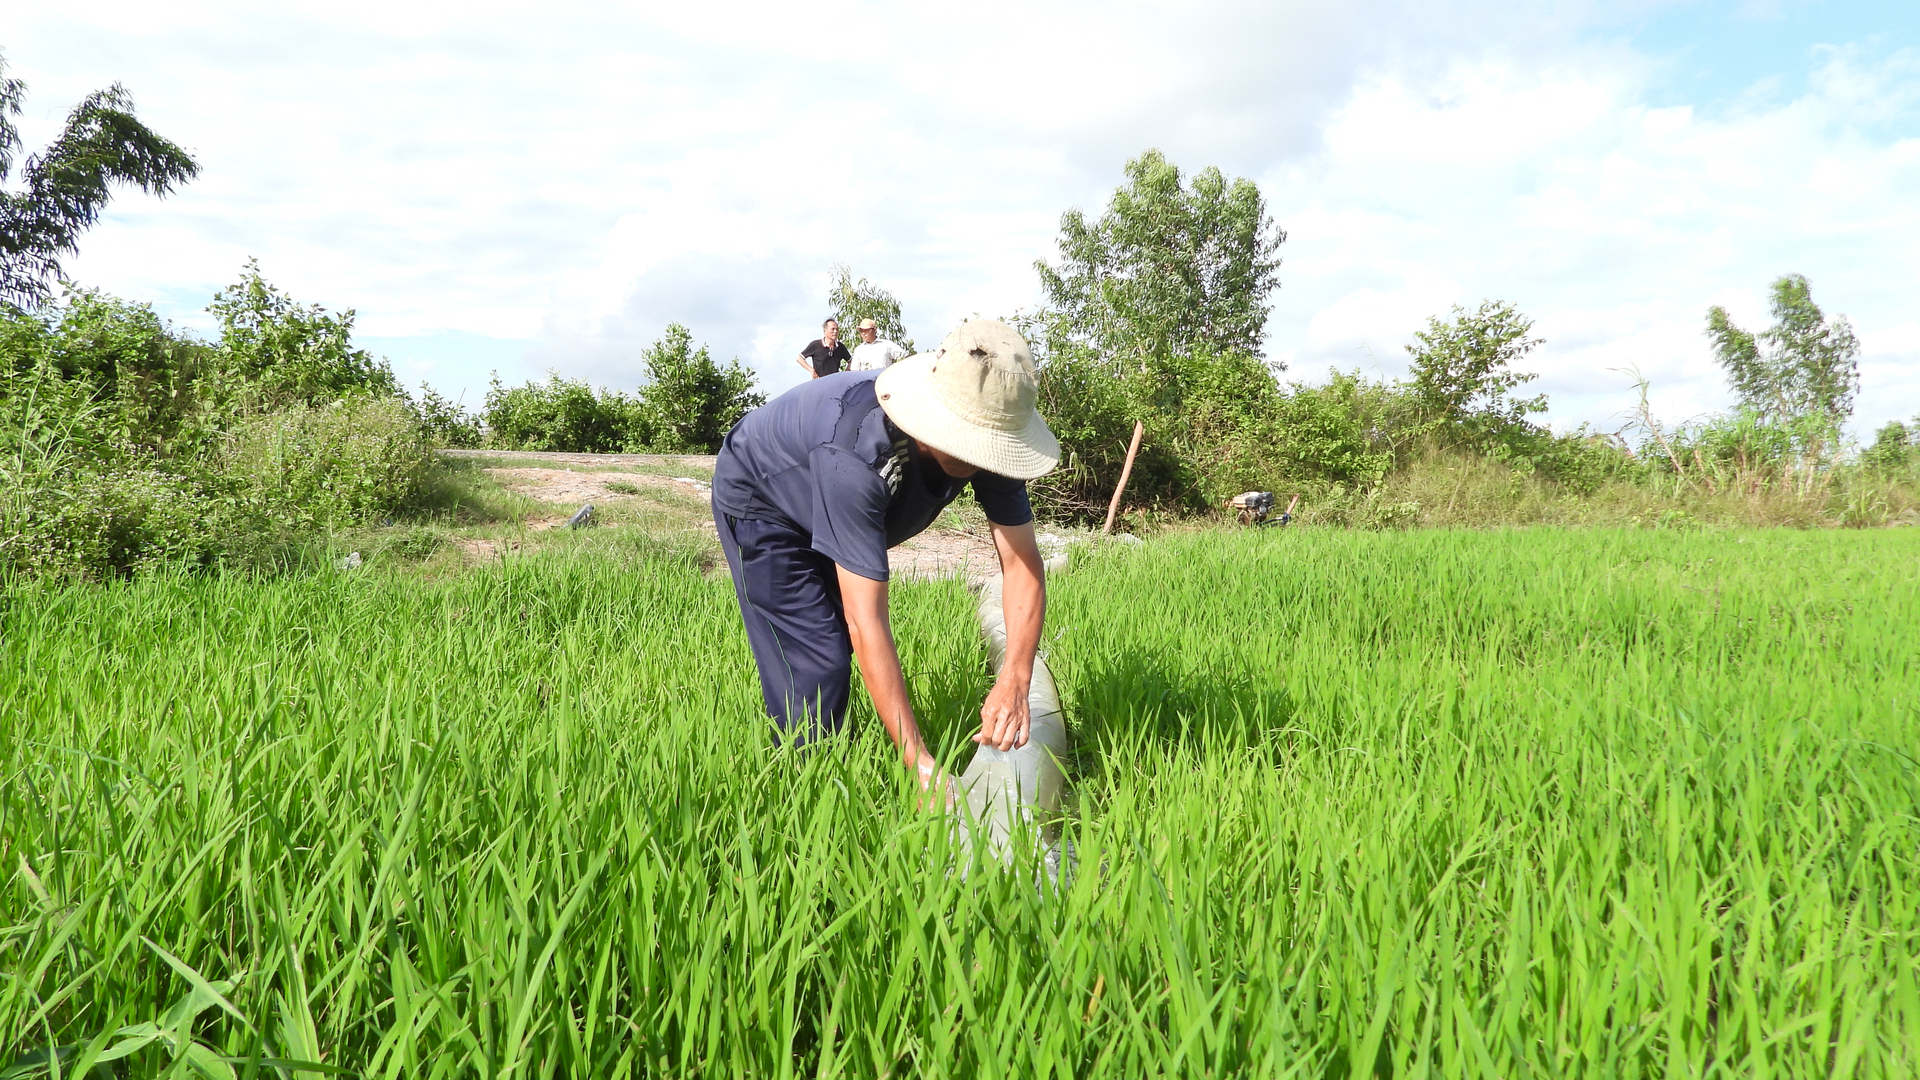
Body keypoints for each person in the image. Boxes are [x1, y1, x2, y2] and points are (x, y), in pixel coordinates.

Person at [711, 319, 1059, 787]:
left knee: (830, 642)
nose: (978, 459)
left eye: (989, 446)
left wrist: (1016, 679)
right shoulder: (856, 453)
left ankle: (835, 764)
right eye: (969, 441)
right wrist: (917, 762)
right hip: (765, 496)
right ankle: (806, 797)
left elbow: (1021, 565)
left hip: (829, 487)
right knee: (818, 659)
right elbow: (866, 621)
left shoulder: (991, 439)